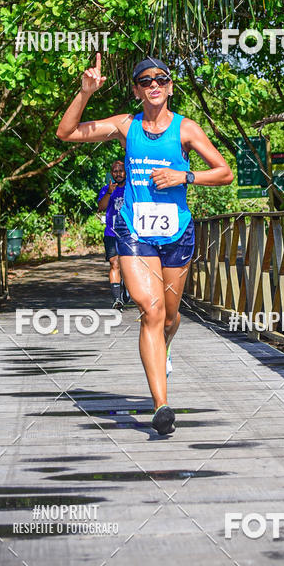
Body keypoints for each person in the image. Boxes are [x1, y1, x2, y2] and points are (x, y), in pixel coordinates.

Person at [56, 53, 234, 435]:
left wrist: (184, 176)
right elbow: (66, 133)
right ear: (137, 90)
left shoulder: (187, 129)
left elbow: (225, 172)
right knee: (150, 310)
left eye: (161, 79)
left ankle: (163, 349)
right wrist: (85, 93)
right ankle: (161, 405)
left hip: (177, 233)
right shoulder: (126, 125)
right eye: (145, 81)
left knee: (169, 317)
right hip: (134, 232)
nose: (154, 85)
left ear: (170, 86)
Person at [97, 160, 127, 309]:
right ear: (111, 173)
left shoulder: (132, 189)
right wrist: (109, 192)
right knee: (114, 262)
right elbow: (101, 207)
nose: (118, 174)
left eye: (121, 170)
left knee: (127, 265)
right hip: (112, 233)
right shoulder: (106, 189)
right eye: (115, 171)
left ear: (126, 171)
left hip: (130, 233)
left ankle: (127, 288)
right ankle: (117, 299)